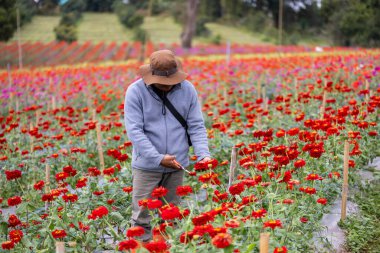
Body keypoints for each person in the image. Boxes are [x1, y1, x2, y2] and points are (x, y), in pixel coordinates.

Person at [124, 49, 211, 242]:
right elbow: (135, 132)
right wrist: (158, 158)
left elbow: (196, 125)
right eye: (163, 83)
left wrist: (203, 154)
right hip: (147, 167)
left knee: (172, 219)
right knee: (141, 220)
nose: (168, 86)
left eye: (171, 82)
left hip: (176, 165)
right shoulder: (136, 91)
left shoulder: (187, 89)